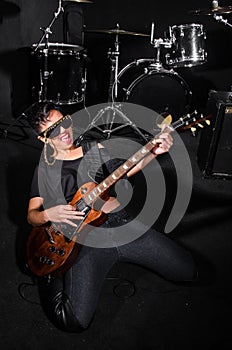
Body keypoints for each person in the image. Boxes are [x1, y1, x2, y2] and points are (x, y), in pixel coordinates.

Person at [26, 102, 197, 333]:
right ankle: (50, 275)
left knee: (187, 271)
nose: (63, 132)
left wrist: (153, 153)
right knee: (74, 321)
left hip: (119, 224)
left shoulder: (93, 149)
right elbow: (32, 217)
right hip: (82, 242)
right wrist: (48, 213)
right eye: (52, 131)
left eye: (63, 122)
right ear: (43, 139)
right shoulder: (45, 169)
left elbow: (126, 170)